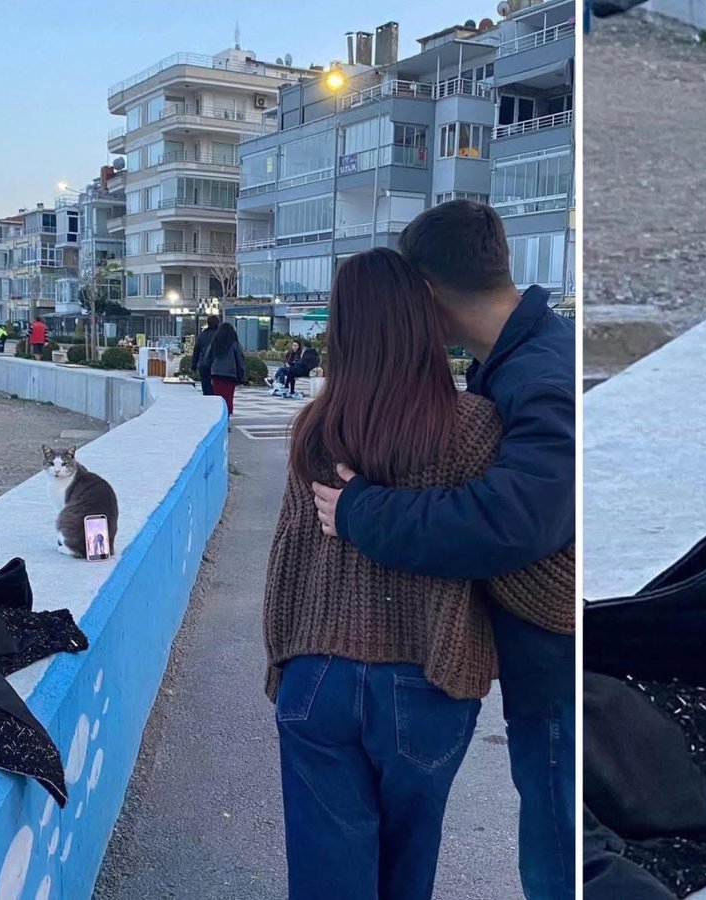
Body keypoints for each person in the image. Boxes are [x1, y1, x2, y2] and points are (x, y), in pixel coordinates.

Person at [264, 248, 571, 899]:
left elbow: (288, 559)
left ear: (341, 330)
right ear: (422, 321)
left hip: (316, 675)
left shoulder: (315, 427)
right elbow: (517, 567)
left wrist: (282, 666)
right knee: (405, 872)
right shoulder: (474, 426)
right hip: (426, 680)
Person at [206, 321, 246, 415]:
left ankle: (219, 417)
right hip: (230, 375)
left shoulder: (215, 343)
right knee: (228, 398)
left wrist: (211, 369)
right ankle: (226, 419)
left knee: (218, 398)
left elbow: (207, 358)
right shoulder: (234, 344)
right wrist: (242, 375)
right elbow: (240, 360)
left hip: (216, 374)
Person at [191, 315, 220, 396]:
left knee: (206, 388)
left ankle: (207, 403)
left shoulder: (202, 334)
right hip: (217, 366)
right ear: (218, 322)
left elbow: (196, 350)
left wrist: (194, 365)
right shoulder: (220, 334)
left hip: (204, 365)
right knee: (217, 390)